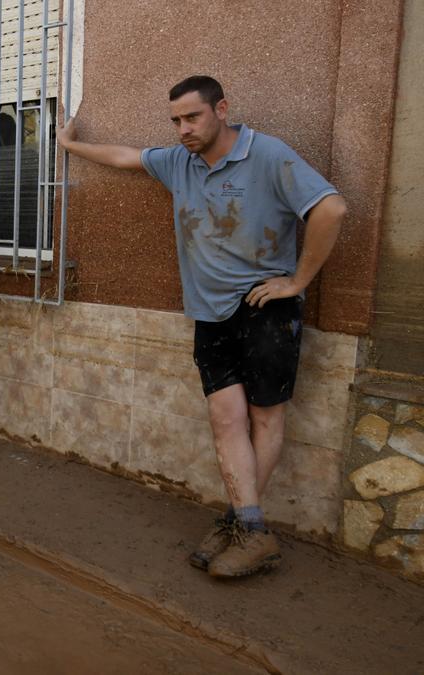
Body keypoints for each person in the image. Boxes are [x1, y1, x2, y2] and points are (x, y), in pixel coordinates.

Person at [56, 75, 347, 579]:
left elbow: (331, 207)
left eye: (192, 117)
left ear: (221, 110)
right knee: (225, 420)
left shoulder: (268, 154)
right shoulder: (178, 162)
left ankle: (247, 528)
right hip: (209, 313)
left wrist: (297, 281)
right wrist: (70, 144)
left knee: (264, 419)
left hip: (264, 309)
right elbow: (127, 157)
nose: (183, 129)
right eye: (176, 121)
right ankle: (247, 525)